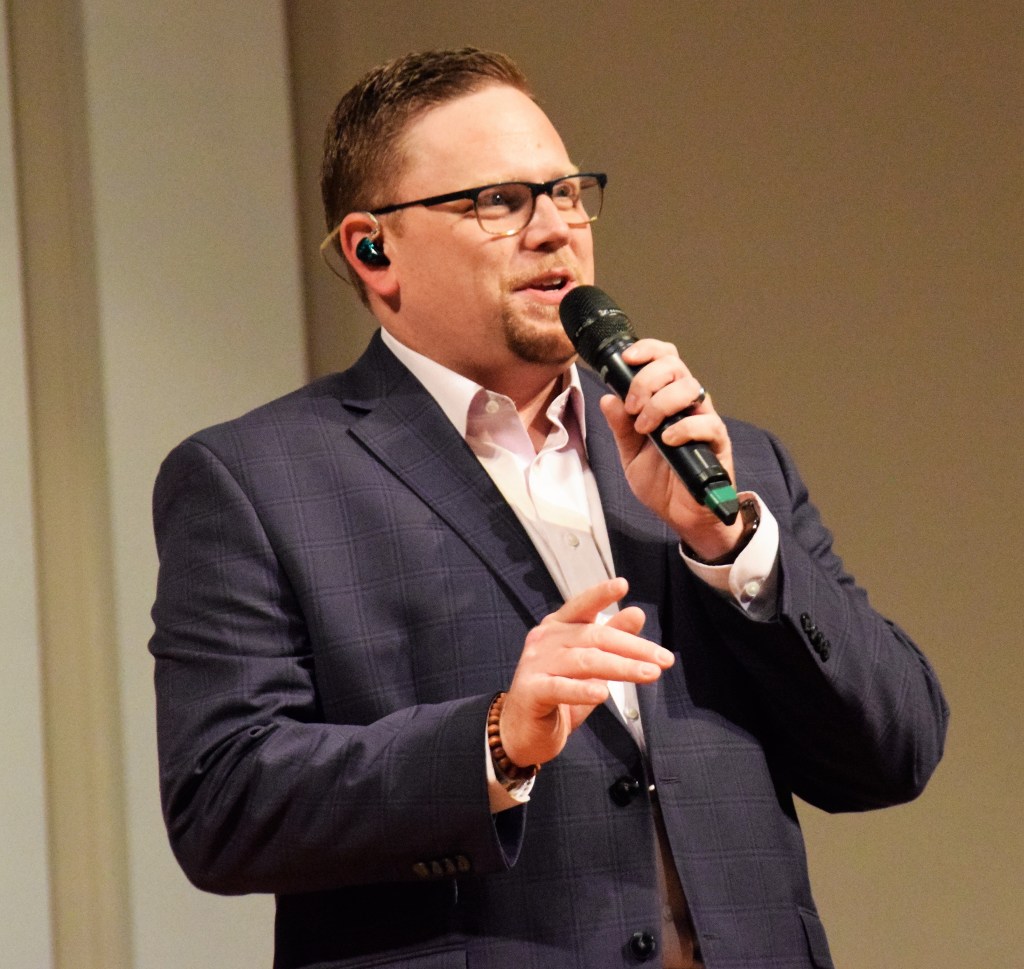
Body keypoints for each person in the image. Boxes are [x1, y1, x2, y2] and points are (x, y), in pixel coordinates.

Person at [150, 48, 948, 969]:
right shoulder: (255, 479)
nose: (556, 229)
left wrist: (734, 548)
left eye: (567, 192)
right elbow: (222, 804)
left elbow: (897, 749)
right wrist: (494, 740)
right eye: (500, 201)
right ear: (375, 250)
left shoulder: (724, 461)